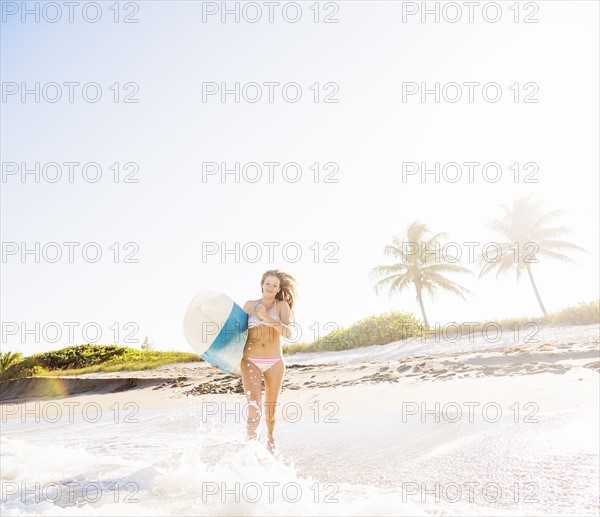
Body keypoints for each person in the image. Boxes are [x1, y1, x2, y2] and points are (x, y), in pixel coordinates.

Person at [240, 269, 297, 453]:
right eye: (268, 283)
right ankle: (251, 448)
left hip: (274, 362)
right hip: (250, 360)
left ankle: (271, 438)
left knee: (270, 412)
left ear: (279, 288)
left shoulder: (281, 306)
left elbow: (288, 333)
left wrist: (265, 318)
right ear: (262, 284)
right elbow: (236, 334)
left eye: (275, 285)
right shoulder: (249, 306)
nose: (270, 287)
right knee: (254, 408)